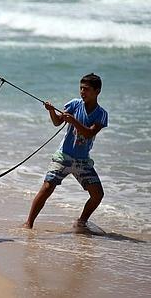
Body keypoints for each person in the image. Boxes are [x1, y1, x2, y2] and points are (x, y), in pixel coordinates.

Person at [23, 73, 108, 230]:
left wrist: (73, 121)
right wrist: (51, 111)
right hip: (63, 156)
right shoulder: (74, 104)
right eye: (81, 88)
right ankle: (29, 223)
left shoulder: (102, 114)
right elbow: (57, 122)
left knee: (98, 195)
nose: (82, 92)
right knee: (47, 188)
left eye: (87, 89)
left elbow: (89, 133)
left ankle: (81, 222)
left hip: (82, 160)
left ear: (97, 91)